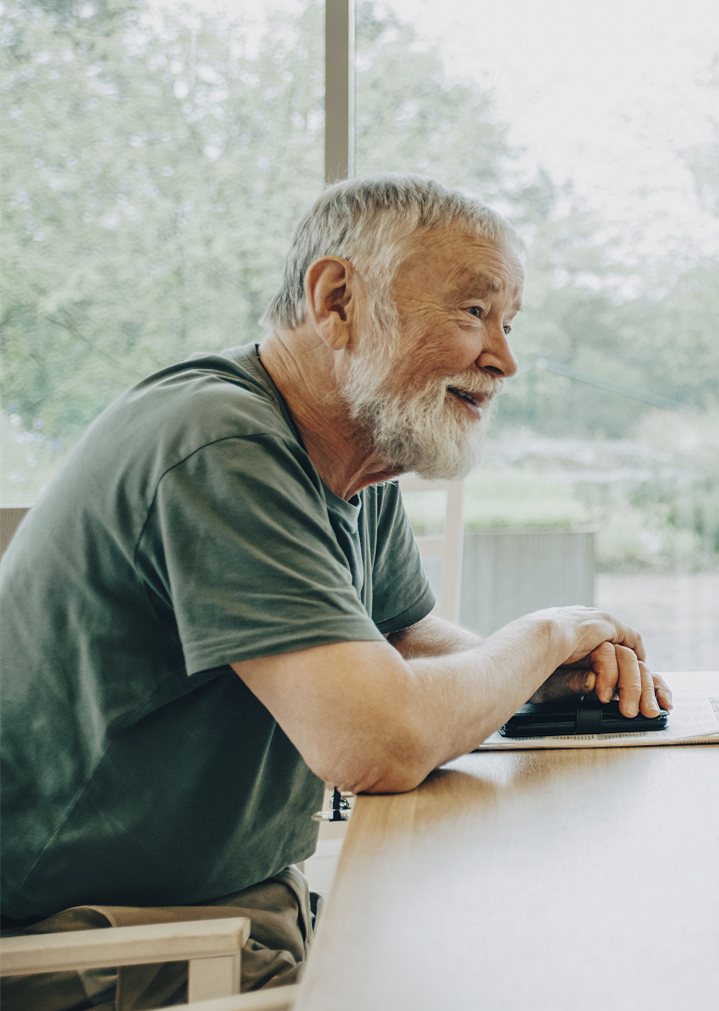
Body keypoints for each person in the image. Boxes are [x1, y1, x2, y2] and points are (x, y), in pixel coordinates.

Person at [0, 175, 673, 1010]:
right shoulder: (223, 445)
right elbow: (375, 740)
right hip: (106, 945)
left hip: (244, 913)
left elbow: (398, 636)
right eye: (473, 312)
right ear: (338, 298)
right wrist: (544, 633)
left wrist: (547, 678)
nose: (505, 357)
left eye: (509, 321)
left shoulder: (355, 450)